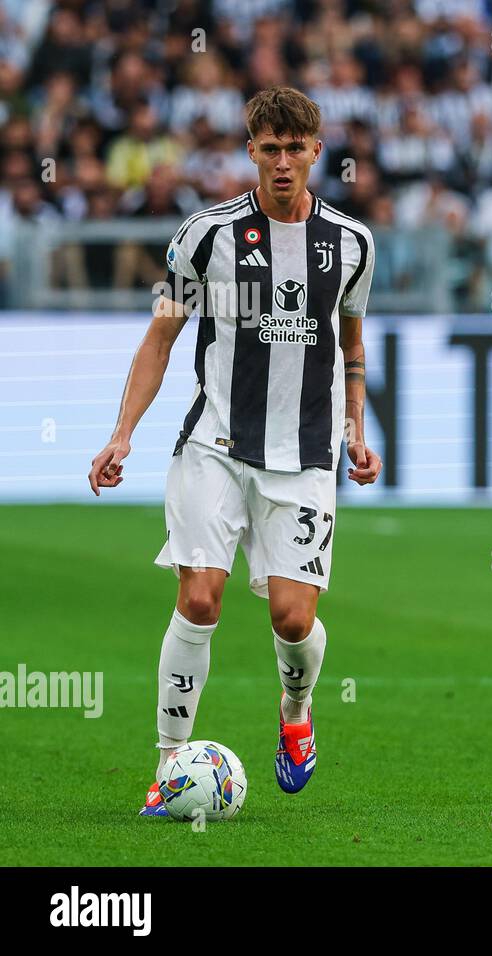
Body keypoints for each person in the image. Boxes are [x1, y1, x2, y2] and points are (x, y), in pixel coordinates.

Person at [86, 87, 382, 816]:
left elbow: (352, 345)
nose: (283, 162)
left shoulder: (351, 244)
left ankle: (295, 706)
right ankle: (168, 766)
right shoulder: (206, 234)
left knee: (291, 619)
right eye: (269, 148)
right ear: (250, 151)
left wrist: (357, 430)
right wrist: (122, 431)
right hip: (212, 446)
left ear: (317, 150)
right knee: (198, 597)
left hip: (306, 455)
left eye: (296, 147)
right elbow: (162, 334)